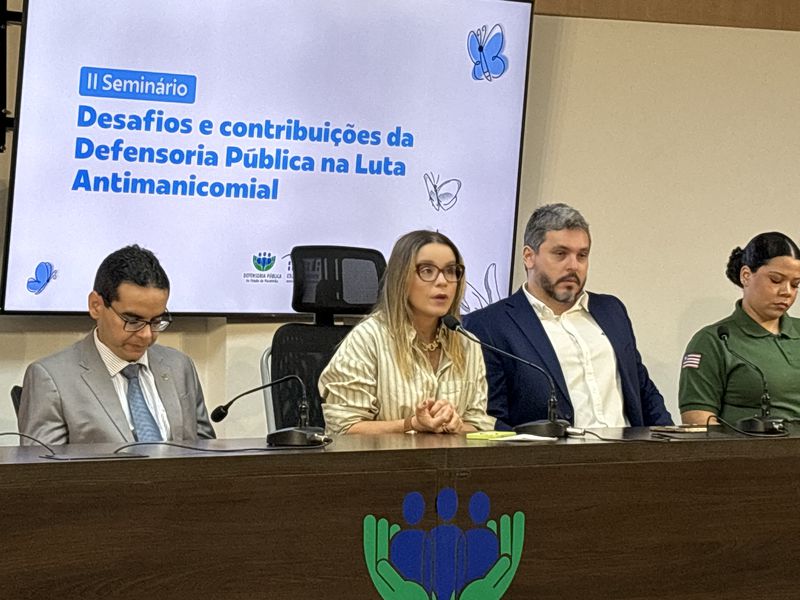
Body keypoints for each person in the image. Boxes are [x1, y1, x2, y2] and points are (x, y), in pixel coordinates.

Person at [463, 203, 671, 429]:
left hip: (628, 448)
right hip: (550, 451)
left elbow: (642, 389)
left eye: (582, 255)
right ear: (529, 256)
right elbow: (492, 420)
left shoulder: (611, 311)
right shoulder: (489, 325)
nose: (573, 266)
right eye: (560, 254)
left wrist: (671, 440)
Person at [18, 245, 216, 444]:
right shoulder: (52, 378)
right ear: (96, 305)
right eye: (133, 321)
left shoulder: (180, 367)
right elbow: (43, 462)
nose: (146, 335)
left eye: (156, 321)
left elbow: (206, 452)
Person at [319, 230, 495, 435]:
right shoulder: (368, 339)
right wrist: (411, 424)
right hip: (385, 457)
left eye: (451, 271)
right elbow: (343, 429)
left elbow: (479, 426)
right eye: (427, 270)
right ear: (401, 278)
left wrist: (456, 426)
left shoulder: (468, 344)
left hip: (448, 457)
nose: (442, 281)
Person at [680, 232, 800, 425]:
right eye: (776, 280)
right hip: (752, 445)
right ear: (746, 275)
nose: (787, 292)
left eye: (795, 285)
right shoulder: (715, 340)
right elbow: (698, 421)